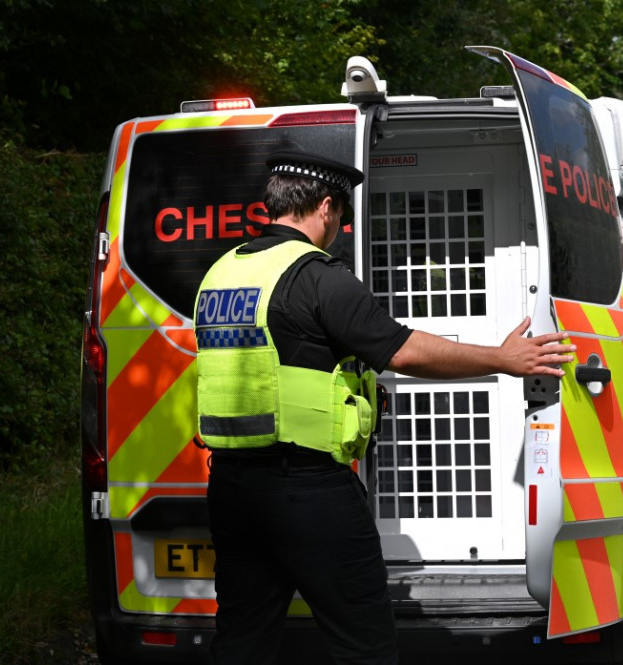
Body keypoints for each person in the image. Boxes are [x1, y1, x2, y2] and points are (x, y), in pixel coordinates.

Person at [194, 149, 575, 665]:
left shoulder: (222, 273)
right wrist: (504, 359)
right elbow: (402, 349)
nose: (341, 231)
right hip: (306, 490)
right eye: (341, 219)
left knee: (242, 640)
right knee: (362, 644)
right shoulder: (317, 276)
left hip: (233, 488)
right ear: (326, 208)